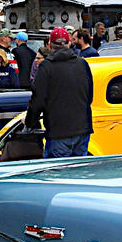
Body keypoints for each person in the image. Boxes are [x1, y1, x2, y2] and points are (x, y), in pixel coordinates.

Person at [25, 27, 92, 158]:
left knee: (58, 169)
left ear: (50, 45)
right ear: (69, 43)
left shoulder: (46, 67)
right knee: (79, 168)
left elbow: (38, 100)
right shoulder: (82, 64)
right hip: (82, 128)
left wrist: (30, 122)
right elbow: (89, 96)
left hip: (58, 130)